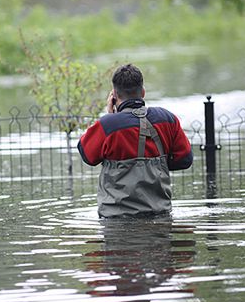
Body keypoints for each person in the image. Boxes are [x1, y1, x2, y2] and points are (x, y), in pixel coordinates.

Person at [77, 64, 193, 218]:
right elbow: (184, 160)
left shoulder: (108, 125)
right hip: (160, 215)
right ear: (143, 92)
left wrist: (110, 115)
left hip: (116, 220)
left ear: (114, 96)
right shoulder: (168, 119)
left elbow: (87, 156)